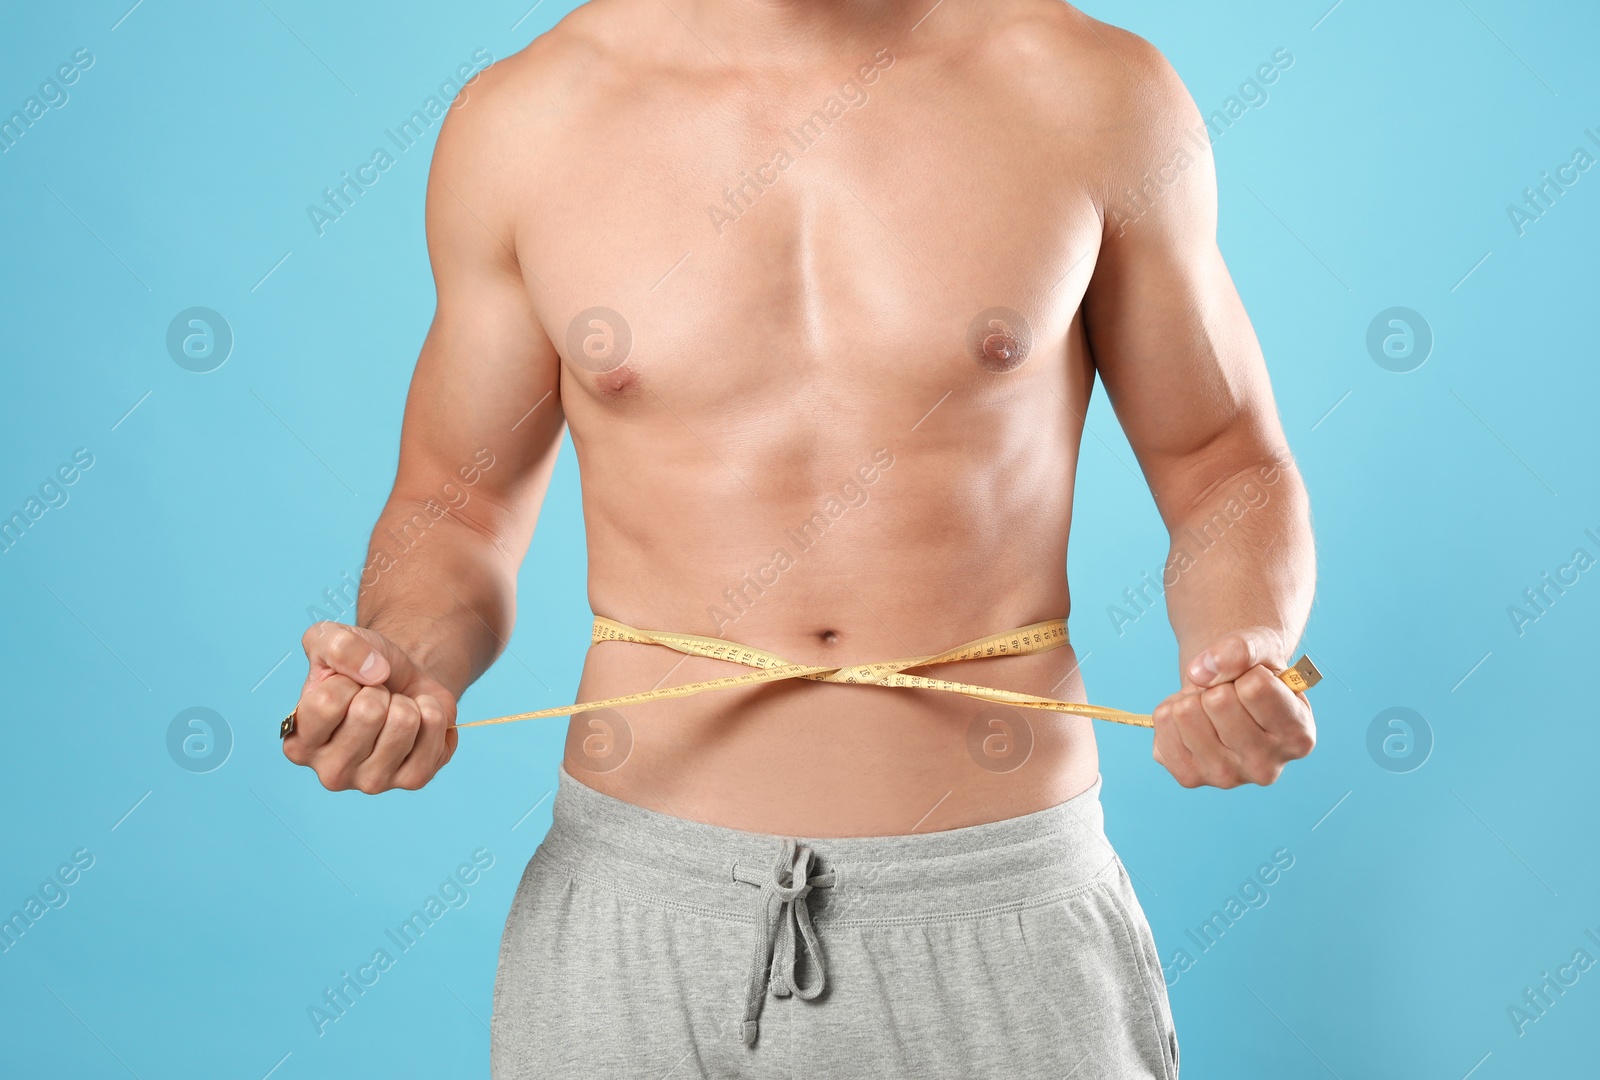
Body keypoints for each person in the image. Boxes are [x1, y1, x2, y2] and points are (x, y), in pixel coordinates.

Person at [280, 0, 1317, 1075]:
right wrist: (405, 660)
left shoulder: (1093, 92)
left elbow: (1221, 461)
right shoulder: (529, 118)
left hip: (1000, 902)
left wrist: (1238, 645)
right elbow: (458, 503)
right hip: (639, 911)